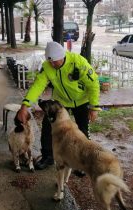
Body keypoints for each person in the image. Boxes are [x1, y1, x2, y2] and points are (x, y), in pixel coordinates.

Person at [17, 41, 101, 171]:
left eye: (55, 61)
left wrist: (94, 107)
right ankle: (48, 156)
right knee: (47, 125)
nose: (52, 64)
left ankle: (82, 162)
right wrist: (24, 106)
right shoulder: (47, 66)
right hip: (61, 101)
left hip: (82, 100)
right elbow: (38, 86)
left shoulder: (78, 62)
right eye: (50, 61)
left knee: (82, 132)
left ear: (63, 55)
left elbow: (93, 84)